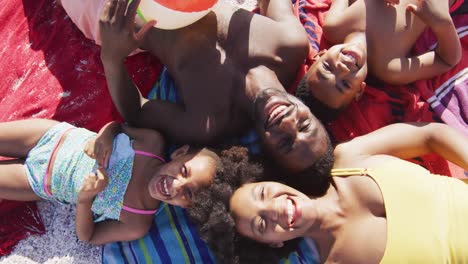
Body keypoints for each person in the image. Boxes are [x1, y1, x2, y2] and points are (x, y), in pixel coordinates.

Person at [57, 0, 333, 174]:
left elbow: (137, 112)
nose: (287, 124)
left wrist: (112, 57)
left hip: (117, 16)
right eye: (304, 127)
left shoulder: (209, 123)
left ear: (265, 149)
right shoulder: (290, 45)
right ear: (312, 112)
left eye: (285, 143)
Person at [188, 122, 468, 263]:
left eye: (262, 194)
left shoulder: (351, 157)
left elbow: (430, 135)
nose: (272, 209)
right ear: (273, 244)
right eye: (262, 224)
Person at [0, 118, 257, 245]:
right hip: (52, 137)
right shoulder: (151, 142)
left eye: (187, 194)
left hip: (40, 180)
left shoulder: (137, 221)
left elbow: (88, 237)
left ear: (189, 208)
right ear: (179, 154)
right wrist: (105, 136)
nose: (176, 185)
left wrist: (85, 200)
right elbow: (118, 127)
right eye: (184, 170)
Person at [296, 0, 463, 111]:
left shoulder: (334, 26)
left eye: (327, 67)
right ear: (360, 90)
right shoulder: (390, 67)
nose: (341, 68)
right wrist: (441, 22)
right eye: (345, 84)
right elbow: (447, 59)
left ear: (320, 55)